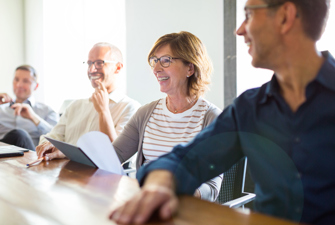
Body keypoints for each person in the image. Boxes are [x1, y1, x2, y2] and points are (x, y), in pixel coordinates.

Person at [109, 0, 335, 224]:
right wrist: (160, 182)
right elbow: (190, 158)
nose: (240, 30)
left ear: (285, 16)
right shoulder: (249, 108)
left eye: (249, 14)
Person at [112, 31, 223, 201]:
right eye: (154, 61)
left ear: (190, 68)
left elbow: (212, 188)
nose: (156, 69)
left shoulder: (212, 118)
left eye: (165, 60)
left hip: (184, 207)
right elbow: (114, 154)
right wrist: (71, 153)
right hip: (144, 201)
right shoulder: (145, 113)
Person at [36, 42, 141, 160]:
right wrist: (49, 145)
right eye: (89, 63)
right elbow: (51, 136)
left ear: (118, 67)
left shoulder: (130, 108)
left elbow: (116, 156)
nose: (91, 69)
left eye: (99, 63)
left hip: (101, 177)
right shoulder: (75, 106)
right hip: (66, 172)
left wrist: (103, 111)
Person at [0, 65, 59, 150]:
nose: (19, 85)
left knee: (20, 135)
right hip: (3, 157)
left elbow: (58, 138)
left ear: (36, 86)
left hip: (30, 158)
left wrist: (34, 118)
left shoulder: (47, 111)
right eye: (16, 79)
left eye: (25, 81)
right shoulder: (1, 109)